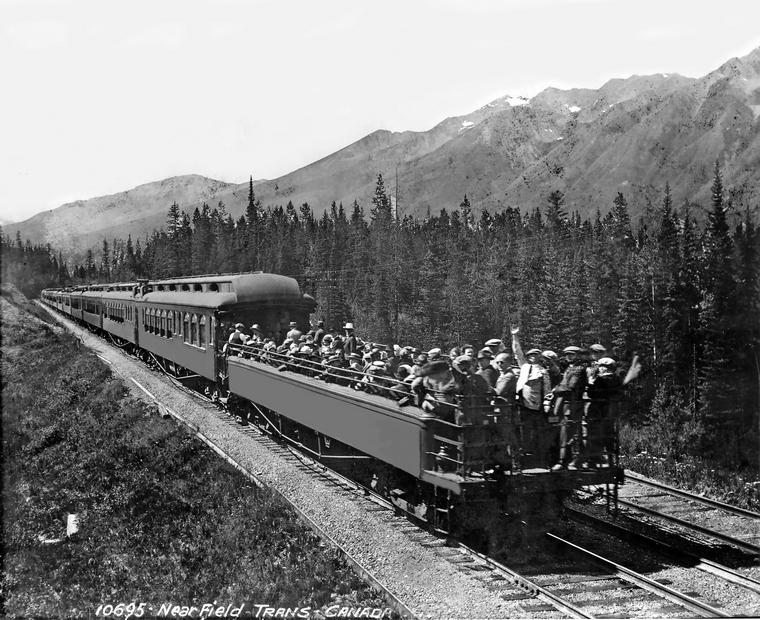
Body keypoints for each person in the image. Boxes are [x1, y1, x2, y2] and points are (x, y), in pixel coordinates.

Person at [551, 346, 588, 470]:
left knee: (571, 433)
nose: (569, 356)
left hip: (573, 405)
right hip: (568, 405)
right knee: (566, 432)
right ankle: (567, 460)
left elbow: (570, 387)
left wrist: (556, 389)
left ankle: (569, 461)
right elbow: (563, 384)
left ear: (578, 355)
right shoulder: (569, 368)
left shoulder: (579, 369)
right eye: (567, 354)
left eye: (572, 354)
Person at [516, 348, 551, 468]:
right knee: (523, 431)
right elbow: (517, 353)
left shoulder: (543, 371)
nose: (532, 357)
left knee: (536, 432)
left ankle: (538, 459)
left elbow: (547, 389)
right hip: (522, 403)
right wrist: (515, 338)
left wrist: (546, 403)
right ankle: (525, 458)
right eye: (530, 355)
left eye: (535, 355)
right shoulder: (524, 367)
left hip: (536, 405)